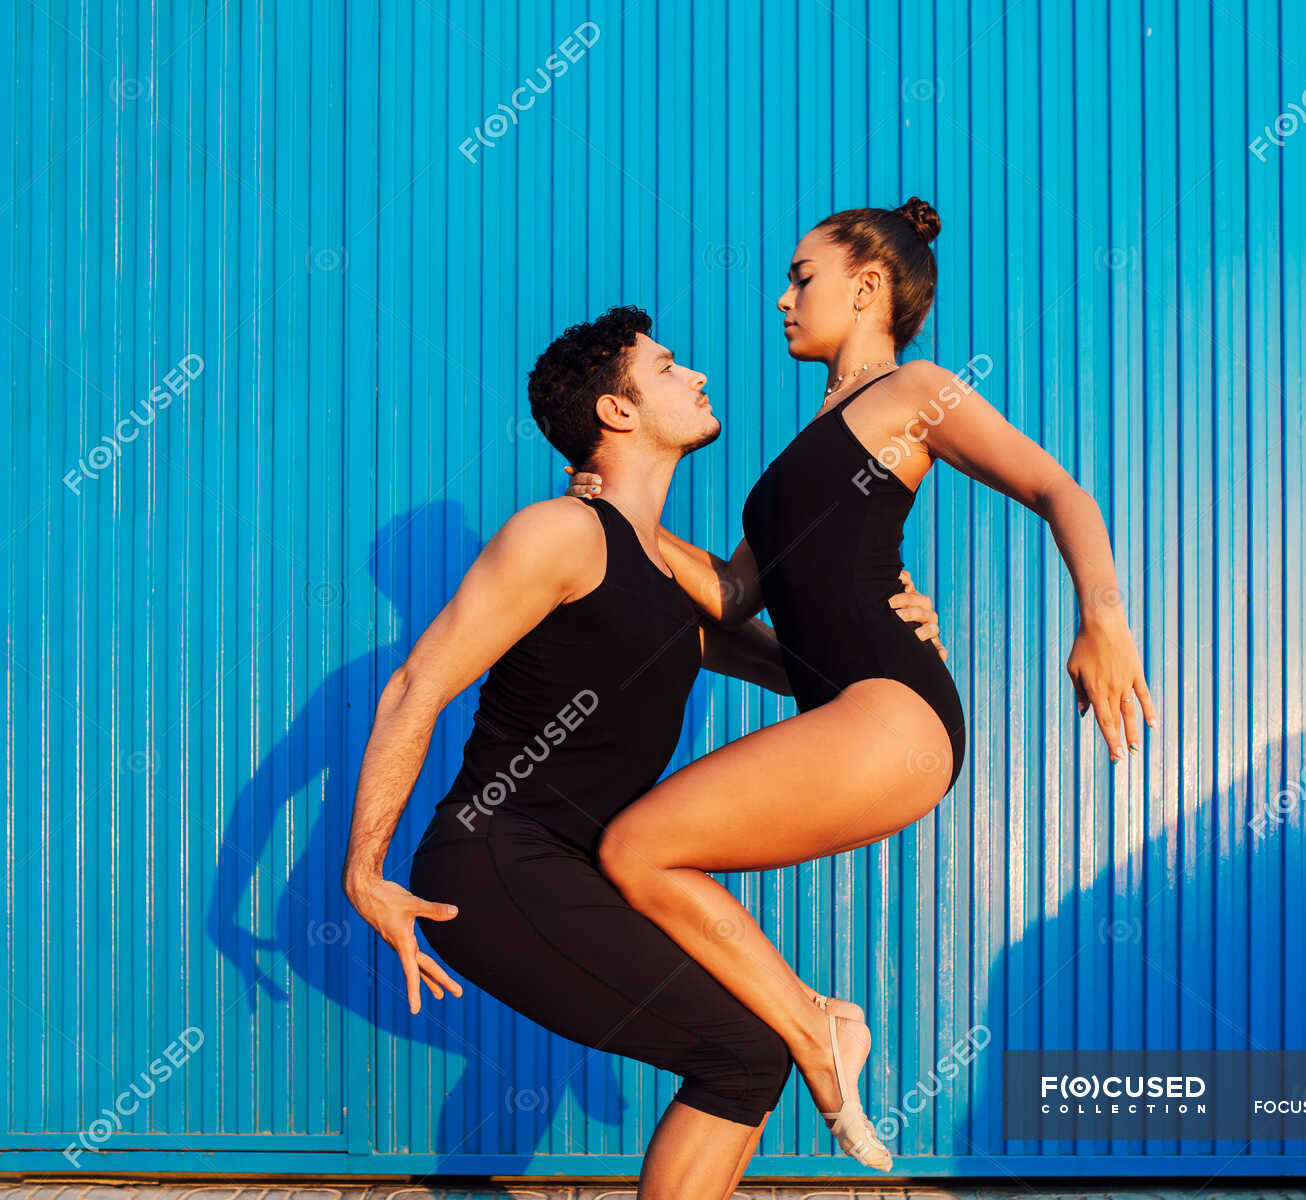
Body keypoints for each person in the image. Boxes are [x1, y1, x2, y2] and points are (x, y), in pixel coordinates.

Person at [563, 197, 1158, 1171]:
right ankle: (807, 1027)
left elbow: (1060, 491)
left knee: (637, 846)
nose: (783, 299)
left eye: (803, 278)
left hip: (897, 706)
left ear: (869, 285)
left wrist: (1104, 620)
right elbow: (727, 591)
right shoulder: (803, 450)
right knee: (638, 853)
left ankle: (815, 1027)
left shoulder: (912, 391)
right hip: (858, 710)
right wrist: (612, 518)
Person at [342, 306, 945, 1199]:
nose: (697, 376)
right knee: (741, 1052)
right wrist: (364, 871)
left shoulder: (675, 579)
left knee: (749, 1057)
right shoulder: (559, 535)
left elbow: (813, 675)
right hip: (495, 860)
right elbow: (415, 687)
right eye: (668, 367)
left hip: (576, 870)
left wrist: (897, 634)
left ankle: (818, 1024)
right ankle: (820, 1024)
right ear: (618, 413)